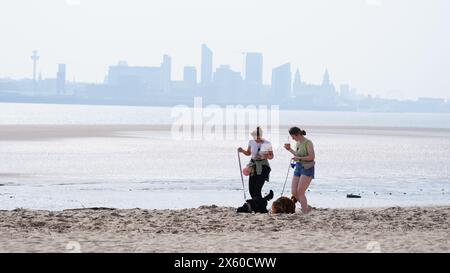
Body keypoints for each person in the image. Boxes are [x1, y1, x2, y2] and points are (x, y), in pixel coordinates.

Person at [284, 127, 315, 214]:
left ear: (298, 134)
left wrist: (299, 158)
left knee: (300, 191)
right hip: (298, 167)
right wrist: (289, 149)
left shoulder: (308, 143)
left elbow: (312, 157)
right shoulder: (297, 143)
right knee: (294, 192)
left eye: (293, 136)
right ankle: (307, 207)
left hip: (307, 167)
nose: (292, 138)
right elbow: (297, 155)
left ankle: (305, 212)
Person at [238, 127, 274, 199]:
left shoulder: (267, 143)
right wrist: (242, 151)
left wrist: (265, 155)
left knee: (257, 189)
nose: (255, 139)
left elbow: (271, 156)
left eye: (256, 137)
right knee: (251, 189)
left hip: (264, 166)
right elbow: (248, 153)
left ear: (260, 136)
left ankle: (260, 207)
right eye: (254, 137)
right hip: (253, 166)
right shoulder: (251, 142)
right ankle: (256, 205)